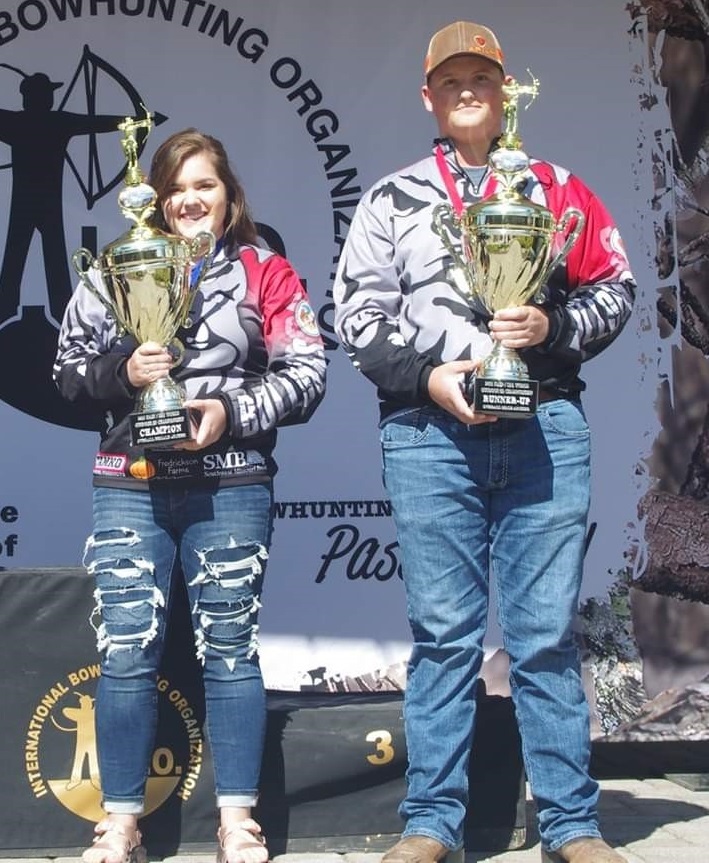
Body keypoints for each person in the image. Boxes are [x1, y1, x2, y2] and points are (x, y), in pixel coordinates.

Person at [333, 20, 635, 863]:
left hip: (544, 424)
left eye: (482, 77)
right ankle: (431, 822)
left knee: (543, 635)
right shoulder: (393, 197)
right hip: (429, 433)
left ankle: (571, 825)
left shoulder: (556, 186)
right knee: (442, 635)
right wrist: (430, 375)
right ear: (427, 95)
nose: (468, 89)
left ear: (507, 90)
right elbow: (356, 317)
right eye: (451, 78)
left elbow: (616, 286)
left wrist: (553, 321)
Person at [54, 128, 326, 863]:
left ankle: (237, 818)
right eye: (176, 188)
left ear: (229, 195)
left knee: (230, 652)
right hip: (130, 485)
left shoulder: (265, 270)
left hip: (231, 482)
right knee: (126, 652)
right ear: (156, 200)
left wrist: (228, 413)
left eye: (204, 185)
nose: (189, 200)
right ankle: (119, 823)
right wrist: (124, 373)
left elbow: (307, 373)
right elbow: (66, 371)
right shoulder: (118, 267)